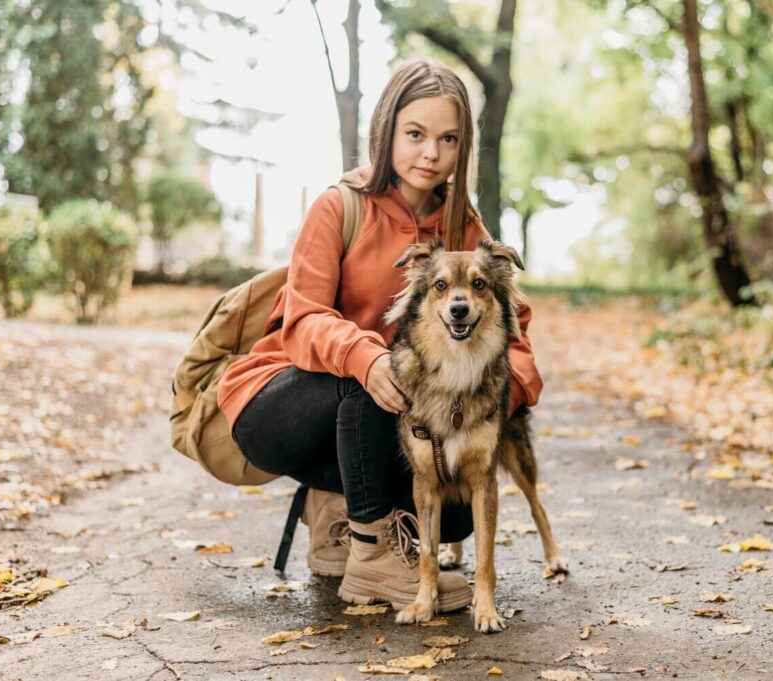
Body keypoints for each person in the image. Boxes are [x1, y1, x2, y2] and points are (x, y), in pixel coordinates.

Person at [217, 60, 543, 612]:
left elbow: (515, 333)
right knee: (377, 372)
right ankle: (371, 556)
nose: (431, 153)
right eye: (415, 134)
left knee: (456, 514)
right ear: (387, 130)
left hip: (390, 414)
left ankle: (337, 512)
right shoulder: (339, 206)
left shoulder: (463, 224)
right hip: (284, 402)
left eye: (448, 139)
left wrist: (494, 400)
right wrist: (364, 358)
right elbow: (303, 319)